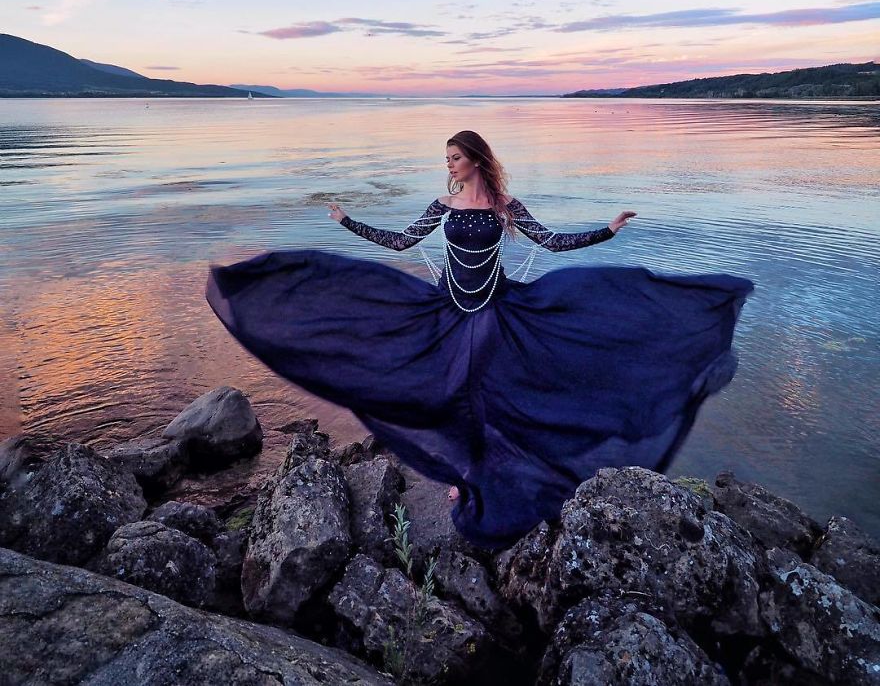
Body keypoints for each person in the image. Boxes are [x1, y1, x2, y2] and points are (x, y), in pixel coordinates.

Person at [206, 129, 753, 550]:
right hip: (447, 309)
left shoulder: (506, 207)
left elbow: (553, 242)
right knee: (448, 389)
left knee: (491, 389)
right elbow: (399, 243)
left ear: (475, 160)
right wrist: (347, 221)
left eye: (454, 158)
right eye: (445, 160)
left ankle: (500, 467)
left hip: (498, 309)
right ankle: (465, 474)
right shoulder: (442, 208)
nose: (448, 166)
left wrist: (607, 230)